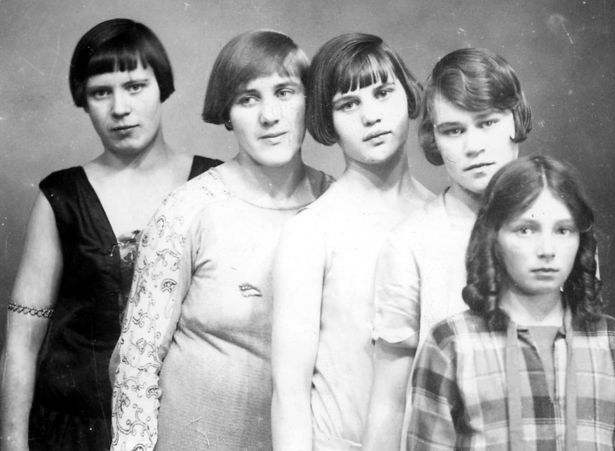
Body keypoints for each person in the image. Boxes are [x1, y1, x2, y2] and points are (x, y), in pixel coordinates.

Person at [0, 18, 221, 451]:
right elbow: (22, 343)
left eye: (135, 86)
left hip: (183, 430)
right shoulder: (62, 197)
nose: (120, 108)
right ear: (83, 100)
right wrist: (12, 444)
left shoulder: (214, 185)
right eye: (101, 92)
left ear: (163, 88)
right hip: (72, 431)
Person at [110, 30, 332, 451]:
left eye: (285, 92)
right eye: (248, 99)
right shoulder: (187, 210)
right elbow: (136, 363)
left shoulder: (336, 206)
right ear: (227, 113)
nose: (270, 116)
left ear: (310, 100)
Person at [406, 155, 615, 449]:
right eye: (526, 230)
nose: (547, 250)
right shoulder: (451, 344)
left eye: (563, 230)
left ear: (580, 240)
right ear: (493, 238)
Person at [363, 48, 531, 450]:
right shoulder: (411, 243)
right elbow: (388, 401)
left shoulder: (560, 231)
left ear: (515, 120)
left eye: (487, 122)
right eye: (453, 131)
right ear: (433, 139)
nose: (473, 146)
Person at [271, 33, 433, 450]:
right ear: (327, 121)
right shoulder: (312, 231)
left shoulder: (442, 218)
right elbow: (289, 395)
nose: (371, 116)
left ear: (409, 96)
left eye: (383, 93)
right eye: (348, 104)